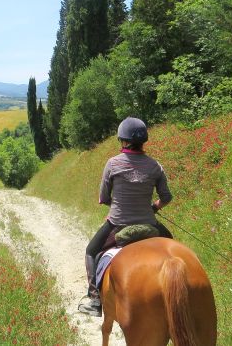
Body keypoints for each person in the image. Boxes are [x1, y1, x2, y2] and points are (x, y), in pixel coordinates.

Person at [78, 117, 173, 317]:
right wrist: (153, 208)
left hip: (117, 225)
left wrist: (118, 205)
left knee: (91, 251)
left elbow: (103, 198)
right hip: (149, 223)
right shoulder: (155, 166)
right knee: (172, 245)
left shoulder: (113, 164)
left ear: (123, 140)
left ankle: (95, 300)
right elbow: (166, 197)